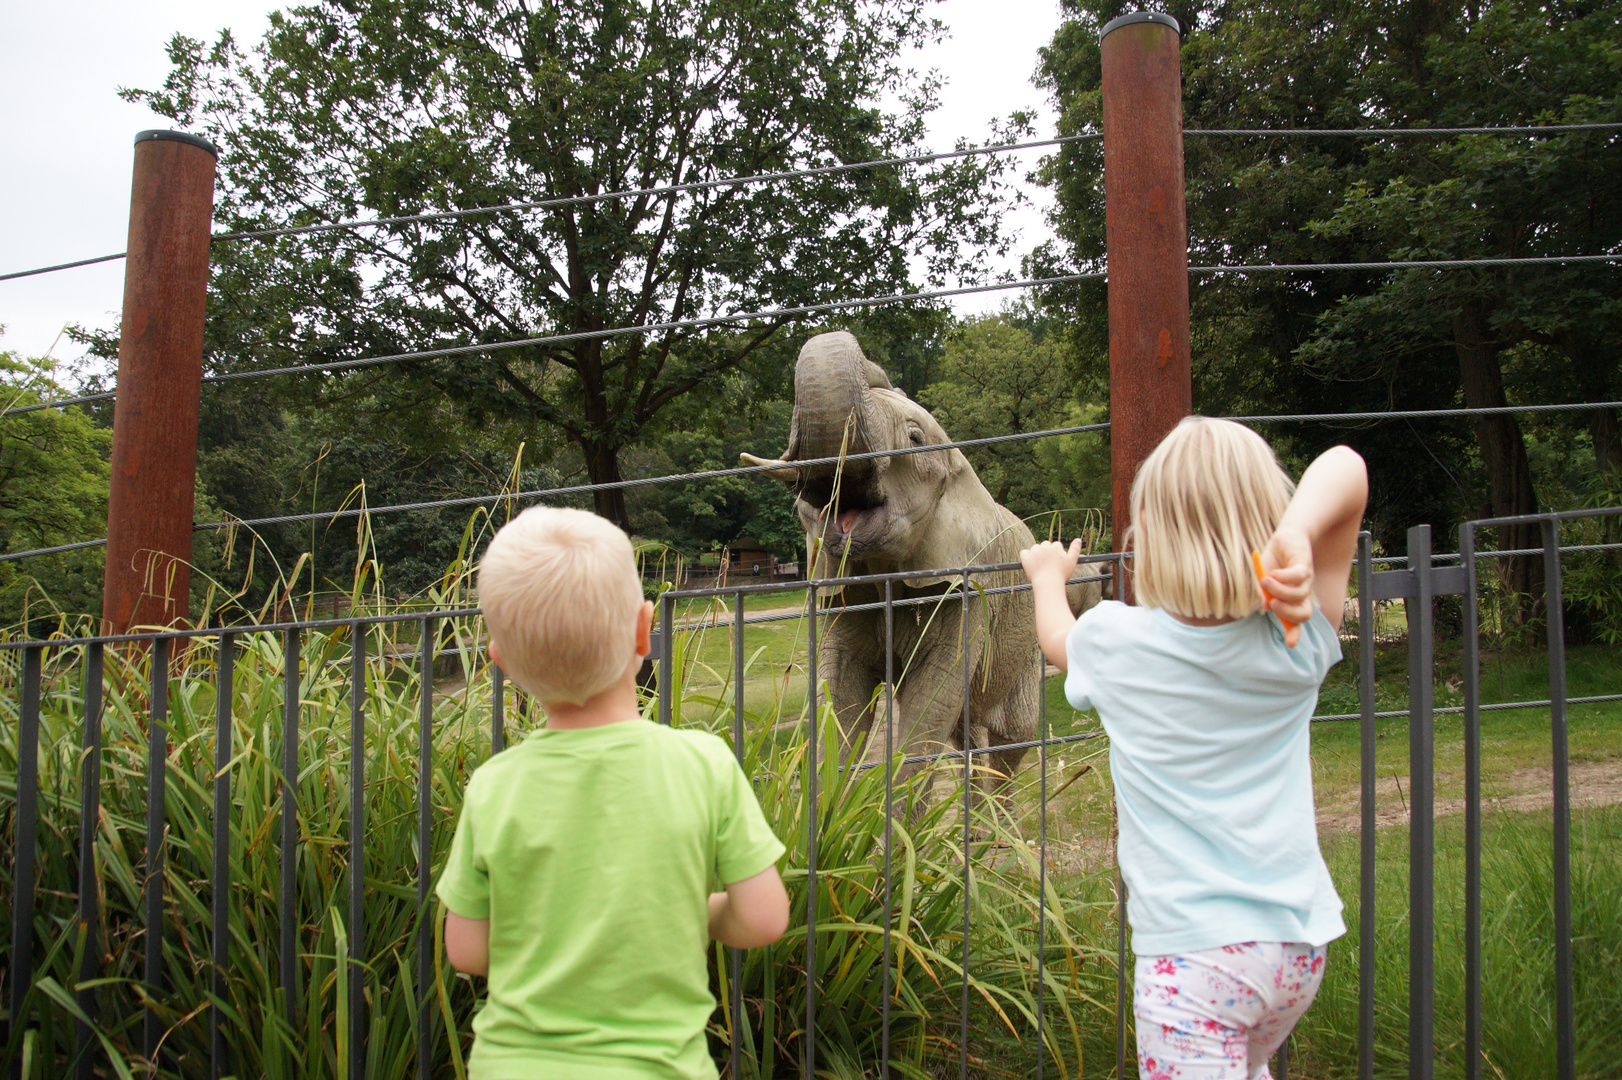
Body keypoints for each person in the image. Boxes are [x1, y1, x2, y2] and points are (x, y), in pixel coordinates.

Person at [1020, 417, 1368, 1080]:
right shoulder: (1294, 639)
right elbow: (1348, 467)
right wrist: (1295, 533)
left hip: (1193, 965)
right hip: (1295, 949)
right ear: (1269, 521)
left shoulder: (1117, 643)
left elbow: (1056, 639)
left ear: (1146, 530)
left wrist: (1046, 574)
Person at [437, 506, 790, 1080]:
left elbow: (467, 952)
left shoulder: (494, 787)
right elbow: (764, 918)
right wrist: (691, 911)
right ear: (643, 629)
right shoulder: (702, 766)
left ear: (500, 663)